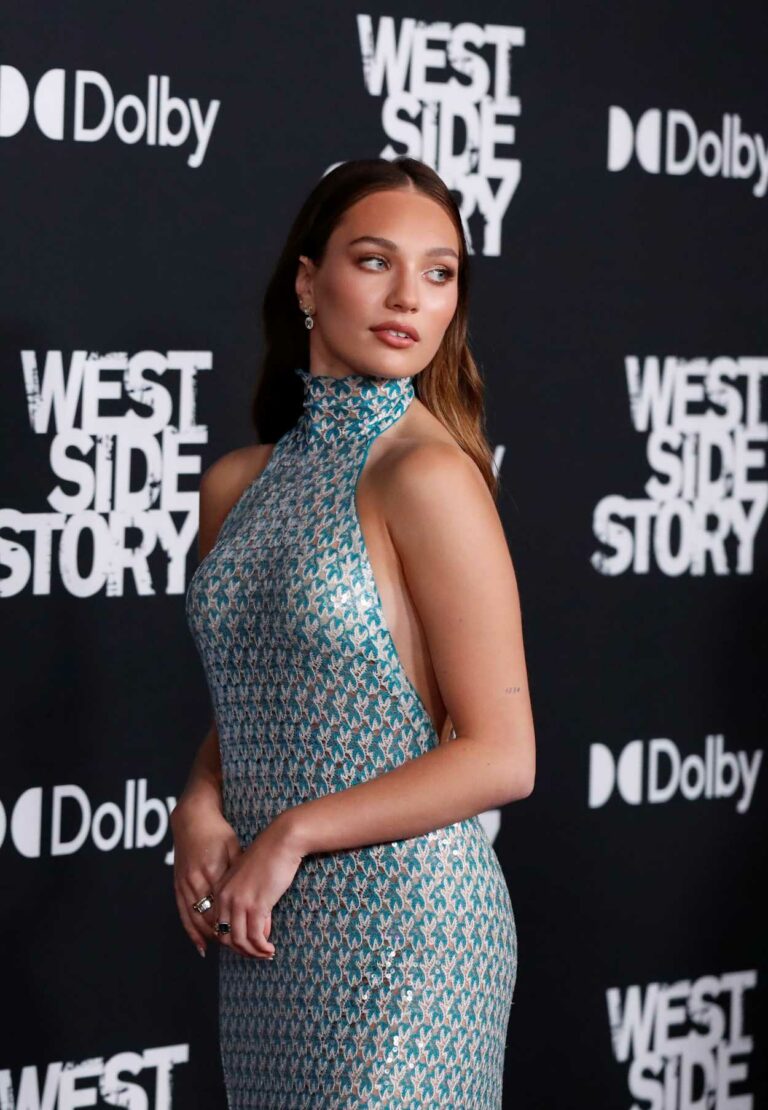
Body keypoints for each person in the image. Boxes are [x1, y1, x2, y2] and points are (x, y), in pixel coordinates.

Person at [173, 155, 536, 1108]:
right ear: (307, 280)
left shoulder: (429, 477)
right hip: (269, 932)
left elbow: (502, 756)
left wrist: (290, 832)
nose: (410, 295)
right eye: (375, 261)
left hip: (408, 937)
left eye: (440, 270)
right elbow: (267, 692)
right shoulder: (236, 484)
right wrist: (202, 800)